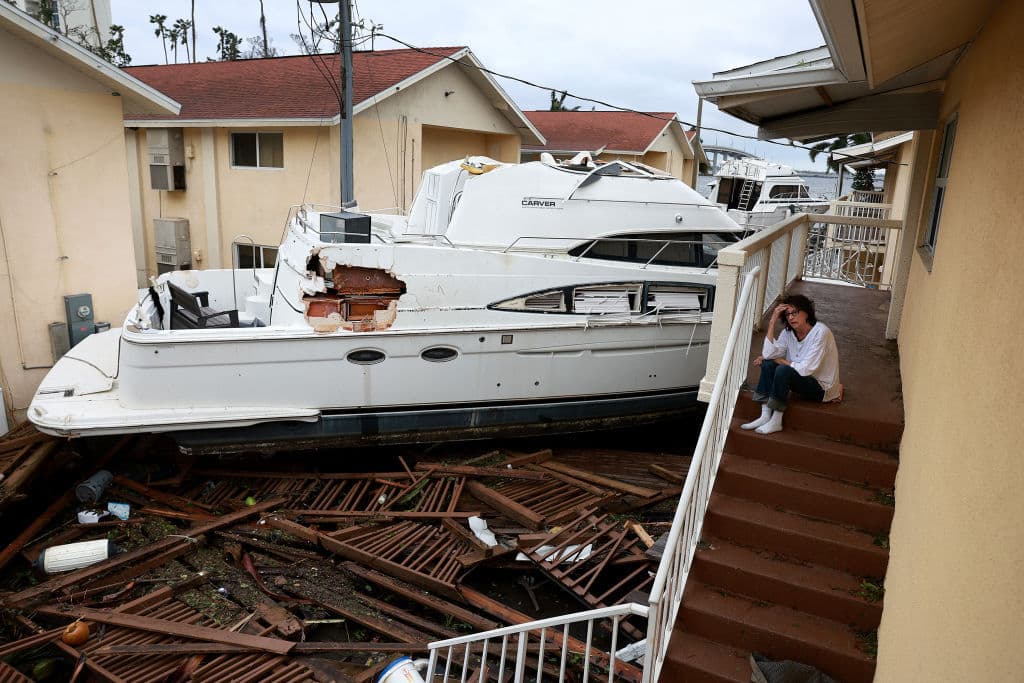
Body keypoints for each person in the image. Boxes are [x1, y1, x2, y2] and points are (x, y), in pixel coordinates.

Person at [741, 294, 841, 435]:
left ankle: (776, 420)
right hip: (801, 380)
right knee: (768, 363)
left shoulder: (821, 332)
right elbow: (769, 354)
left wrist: (780, 360)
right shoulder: (788, 332)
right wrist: (772, 321)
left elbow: (805, 369)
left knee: (783, 370)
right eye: (787, 315)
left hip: (820, 388)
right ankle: (765, 415)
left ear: (806, 312)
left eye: (795, 312)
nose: (791, 317)